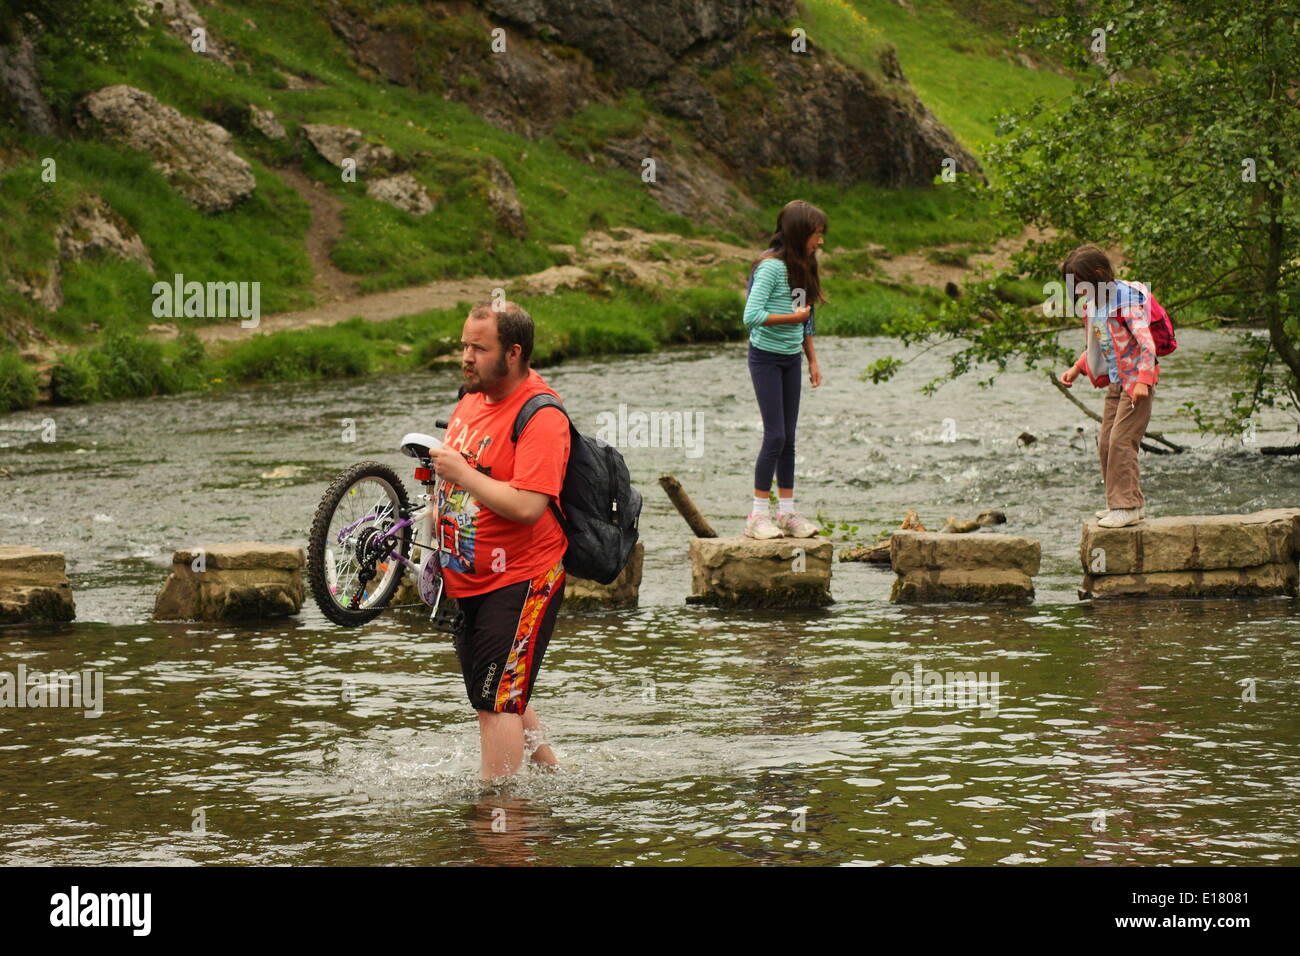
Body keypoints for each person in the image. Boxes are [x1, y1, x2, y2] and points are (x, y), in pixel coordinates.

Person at [433, 301, 570, 779]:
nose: (466, 356)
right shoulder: (472, 398)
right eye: (464, 345)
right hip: (469, 578)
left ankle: (499, 815)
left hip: (522, 577)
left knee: (496, 700)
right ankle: (554, 778)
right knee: (492, 692)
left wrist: (462, 473)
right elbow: (453, 484)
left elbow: (529, 506)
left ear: (512, 353)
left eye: (478, 348)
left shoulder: (541, 415)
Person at [1057, 245, 1160, 528]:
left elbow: (1147, 344)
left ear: (1099, 276)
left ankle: (1125, 506)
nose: (1078, 292)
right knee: (1106, 443)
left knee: (1121, 442)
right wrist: (1079, 367)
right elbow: (1102, 344)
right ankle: (1130, 503)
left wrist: (1143, 380)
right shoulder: (1097, 305)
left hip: (1137, 383)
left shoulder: (1125, 302)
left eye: (1080, 285)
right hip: (1117, 383)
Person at [741, 199, 826, 539]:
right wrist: (793, 318)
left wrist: (813, 360)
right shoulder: (770, 267)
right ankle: (757, 517)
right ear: (798, 232)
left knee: (789, 438)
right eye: (816, 235)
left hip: (791, 358)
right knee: (774, 435)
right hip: (764, 357)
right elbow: (751, 316)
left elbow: (807, 317)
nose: (820, 242)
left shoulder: (802, 264)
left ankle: (787, 514)